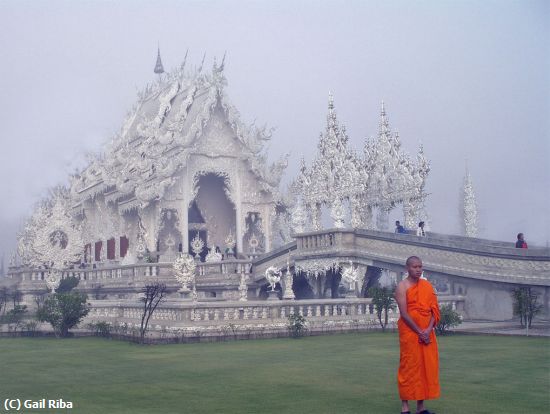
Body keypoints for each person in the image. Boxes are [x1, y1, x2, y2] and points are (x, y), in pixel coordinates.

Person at [395, 256, 440, 414]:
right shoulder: (402, 286)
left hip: (427, 334)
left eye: (420, 266)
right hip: (410, 333)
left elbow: (434, 309)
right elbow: (404, 314)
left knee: (425, 368)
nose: (418, 269)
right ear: (408, 268)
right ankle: (405, 407)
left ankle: (421, 407)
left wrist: (427, 330)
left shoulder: (427, 286)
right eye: (415, 267)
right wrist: (419, 331)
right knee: (408, 367)